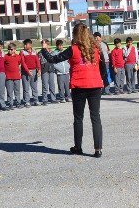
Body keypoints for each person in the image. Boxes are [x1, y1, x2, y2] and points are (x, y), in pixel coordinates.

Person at [40, 23, 106, 157]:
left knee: (78, 118)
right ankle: (98, 149)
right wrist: (99, 79)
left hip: (79, 86)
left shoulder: (73, 49)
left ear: (75, 34)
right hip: (95, 85)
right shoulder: (96, 48)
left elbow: (53, 59)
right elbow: (103, 67)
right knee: (95, 117)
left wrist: (44, 50)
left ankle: (78, 147)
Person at [4, 42, 28, 109]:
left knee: (17, 91)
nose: (10, 50)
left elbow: (20, 64)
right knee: (9, 91)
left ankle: (18, 103)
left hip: (17, 76)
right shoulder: (5, 57)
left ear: (15, 50)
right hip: (8, 77)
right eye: (8, 49)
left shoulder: (18, 57)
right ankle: (10, 104)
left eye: (11, 49)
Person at [20, 39, 41, 107]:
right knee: (26, 88)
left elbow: (37, 61)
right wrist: (27, 71)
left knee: (34, 87)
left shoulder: (34, 51)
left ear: (30, 45)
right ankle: (27, 101)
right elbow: (23, 63)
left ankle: (36, 100)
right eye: (24, 44)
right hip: (25, 72)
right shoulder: (22, 52)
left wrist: (39, 70)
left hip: (34, 71)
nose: (25, 46)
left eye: (26, 44)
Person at [39, 40, 58, 104]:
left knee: (52, 85)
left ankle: (53, 98)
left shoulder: (52, 52)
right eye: (42, 44)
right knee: (45, 85)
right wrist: (38, 70)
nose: (42, 45)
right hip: (44, 70)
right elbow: (38, 62)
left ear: (47, 45)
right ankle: (44, 99)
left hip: (51, 69)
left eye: (44, 44)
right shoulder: (40, 53)